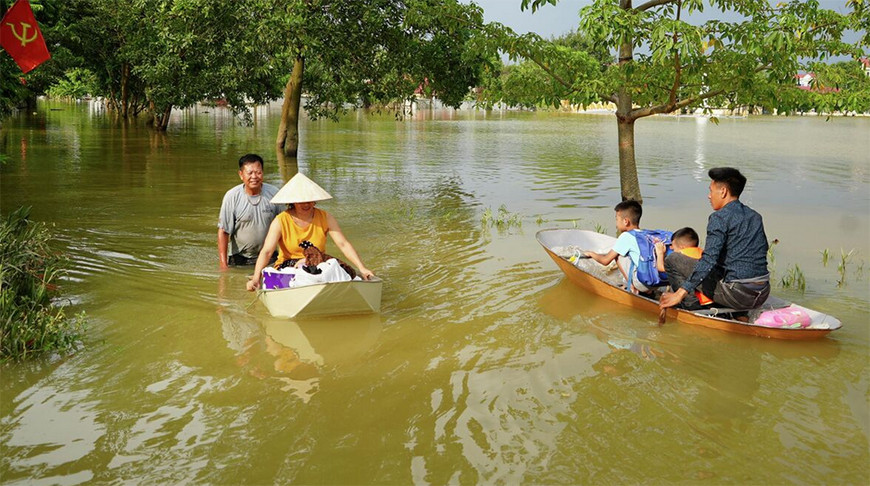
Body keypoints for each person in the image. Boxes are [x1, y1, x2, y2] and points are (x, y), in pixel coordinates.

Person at [660, 167, 770, 311]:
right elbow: (760, 249)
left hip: (737, 295)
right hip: (762, 293)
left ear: (723, 191)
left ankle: (691, 306)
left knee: (673, 259)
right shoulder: (754, 216)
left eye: (711, 191)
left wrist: (680, 293)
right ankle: (736, 313)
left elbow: (708, 260)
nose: (709, 196)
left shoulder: (719, 217)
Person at [246, 172, 375, 291]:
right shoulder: (280, 220)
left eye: (309, 200)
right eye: (301, 201)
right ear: (293, 201)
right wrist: (257, 277)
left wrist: (362, 268)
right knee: (304, 268)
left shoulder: (325, 217)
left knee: (344, 270)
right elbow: (267, 251)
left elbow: (343, 244)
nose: (306, 204)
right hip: (289, 265)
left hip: (317, 262)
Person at [218, 154, 283, 270]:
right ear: (241, 175)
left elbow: (286, 227)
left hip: (270, 257)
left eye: (258, 172)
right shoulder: (231, 197)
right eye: (250, 173)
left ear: (263, 173)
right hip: (240, 259)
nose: (254, 177)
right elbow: (224, 231)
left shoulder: (275, 194)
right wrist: (223, 265)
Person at [583, 200, 651, 294]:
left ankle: (632, 287)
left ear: (626, 221)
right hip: (654, 282)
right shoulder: (647, 234)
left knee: (617, 255)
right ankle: (648, 291)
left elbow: (605, 261)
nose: (616, 223)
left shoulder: (626, 236)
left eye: (617, 219)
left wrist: (591, 254)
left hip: (642, 284)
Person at [654, 227, 713, 308]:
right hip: (713, 298)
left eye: (673, 245)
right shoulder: (703, 254)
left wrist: (660, 253)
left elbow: (661, 268)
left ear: (682, 247)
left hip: (696, 302)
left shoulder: (680, 256)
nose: (671, 248)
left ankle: (685, 304)